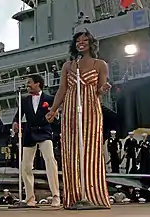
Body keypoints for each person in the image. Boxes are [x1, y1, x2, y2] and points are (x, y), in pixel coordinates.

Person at [46, 30, 111, 209]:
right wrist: (53, 110)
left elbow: (99, 90)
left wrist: (104, 89)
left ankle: (92, 195)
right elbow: (62, 90)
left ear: (91, 43)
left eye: (85, 40)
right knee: (71, 150)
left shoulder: (100, 64)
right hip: (70, 109)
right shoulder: (68, 65)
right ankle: (75, 195)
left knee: (90, 150)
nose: (81, 43)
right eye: (78, 41)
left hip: (91, 109)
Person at [12, 74, 60, 207]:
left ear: (37, 84)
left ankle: (56, 196)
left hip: (44, 131)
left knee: (50, 161)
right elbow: (18, 116)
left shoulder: (49, 99)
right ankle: (30, 198)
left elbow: (56, 117)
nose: (27, 85)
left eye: (29, 83)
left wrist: (55, 117)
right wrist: (15, 123)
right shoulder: (24, 100)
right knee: (25, 166)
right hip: (29, 133)